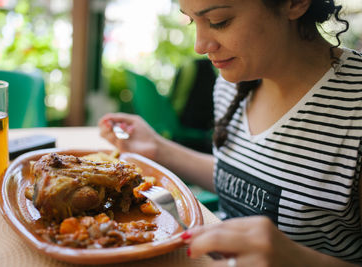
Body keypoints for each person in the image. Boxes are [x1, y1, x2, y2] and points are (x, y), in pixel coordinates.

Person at [98, 0, 362, 266]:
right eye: (192, 22)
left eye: (218, 21)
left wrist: (300, 261)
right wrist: (158, 148)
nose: (199, 46)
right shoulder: (234, 84)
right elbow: (249, 177)